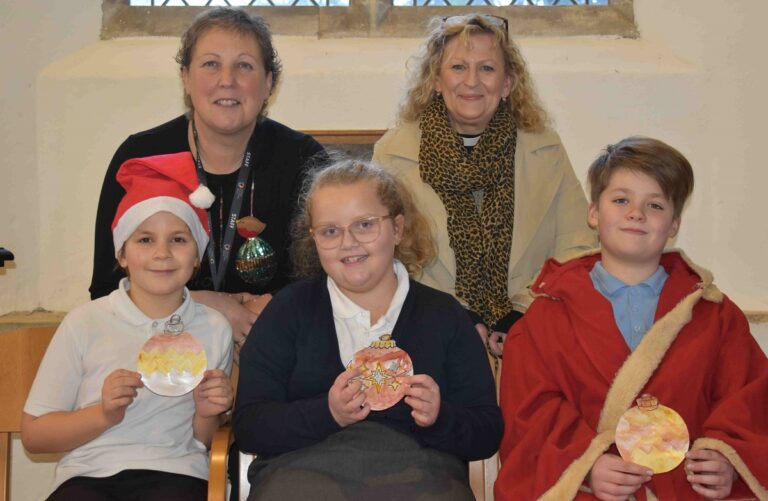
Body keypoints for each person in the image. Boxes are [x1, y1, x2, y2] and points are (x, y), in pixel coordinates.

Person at [495, 137, 768, 500]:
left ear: (674, 224)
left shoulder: (715, 315)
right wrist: (585, 466)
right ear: (594, 213)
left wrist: (727, 459)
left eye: (655, 205)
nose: (636, 213)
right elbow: (531, 416)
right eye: (621, 200)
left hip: (688, 491)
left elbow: (747, 401)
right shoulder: (545, 318)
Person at [233, 160, 502, 500]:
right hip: (300, 475)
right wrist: (327, 413)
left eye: (364, 225)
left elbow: (486, 433)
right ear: (313, 239)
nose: (348, 243)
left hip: (421, 476)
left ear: (398, 228)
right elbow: (250, 426)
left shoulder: (444, 315)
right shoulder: (288, 311)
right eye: (330, 231)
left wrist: (440, 417)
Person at [90, 7, 325, 346]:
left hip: (271, 343)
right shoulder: (140, 157)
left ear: (268, 83)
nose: (227, 80)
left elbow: (326, 279)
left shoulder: (304, 160)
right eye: (211, 64)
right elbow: (106, 290)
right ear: (185, 77)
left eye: (244, 65)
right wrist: (203, 306)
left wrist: (276, 308)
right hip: (154, 347)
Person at [373, 14, 596, 356]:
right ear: (436, 79)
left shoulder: (546, 150)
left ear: (507, 84)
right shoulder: (392, 154)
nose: (472, 81)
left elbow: (576, 246)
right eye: (458, 67)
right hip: (428, 335)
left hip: (533, 336)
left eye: (487, 69)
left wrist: (526, 310)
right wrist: (451, 313)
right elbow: (384, 254)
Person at [22, 152, 234, 500]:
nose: (162, 253)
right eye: (145, 239)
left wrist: (209, 413)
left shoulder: (214, 328)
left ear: (197, 255)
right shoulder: (85, 322)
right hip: (89, 474)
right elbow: (34, 435)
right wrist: (104, 414)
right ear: (122, 254)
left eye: (179, 239)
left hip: (177, 473)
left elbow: (203, 439)